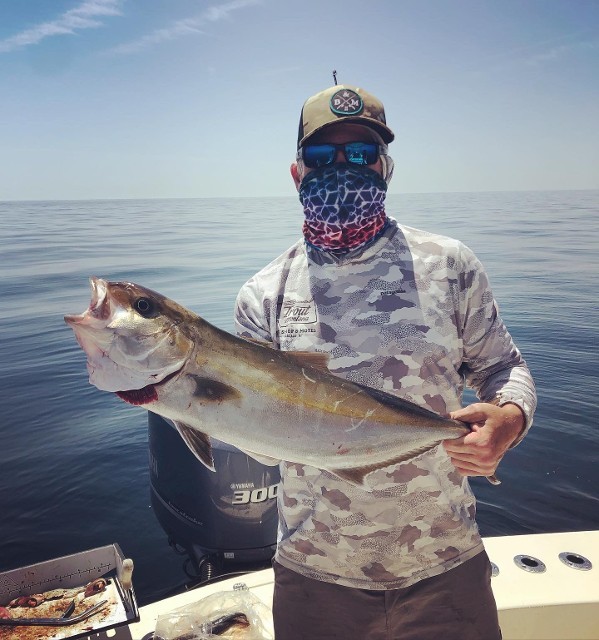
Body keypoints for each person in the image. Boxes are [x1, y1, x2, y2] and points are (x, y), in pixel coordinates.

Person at [234, 84, 536, 640]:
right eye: (323, 156)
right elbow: (254, 431)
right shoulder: (263, 295)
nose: (342, 167)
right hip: (315, 574)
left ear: (386, 167)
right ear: (297, 172)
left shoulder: (450, 265)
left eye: (360, 155)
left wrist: (509, 419)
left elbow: (503, 368)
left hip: (445, 564)